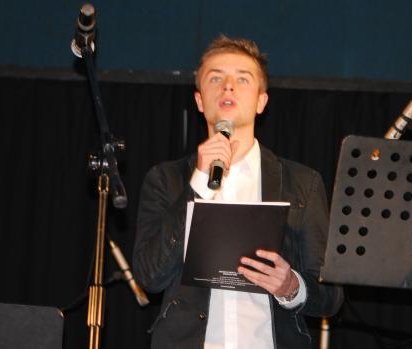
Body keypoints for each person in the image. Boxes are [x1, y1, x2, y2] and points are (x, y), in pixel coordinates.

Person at [133, 35, 343, 348]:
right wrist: (198, 184)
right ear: (200, 101)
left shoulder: (303, 183)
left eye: (242, 79)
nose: (228, 87)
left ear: (261, 102)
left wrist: (291, 287)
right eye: (215, 78)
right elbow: (150, 276)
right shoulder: (166, 179)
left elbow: (331, 296)